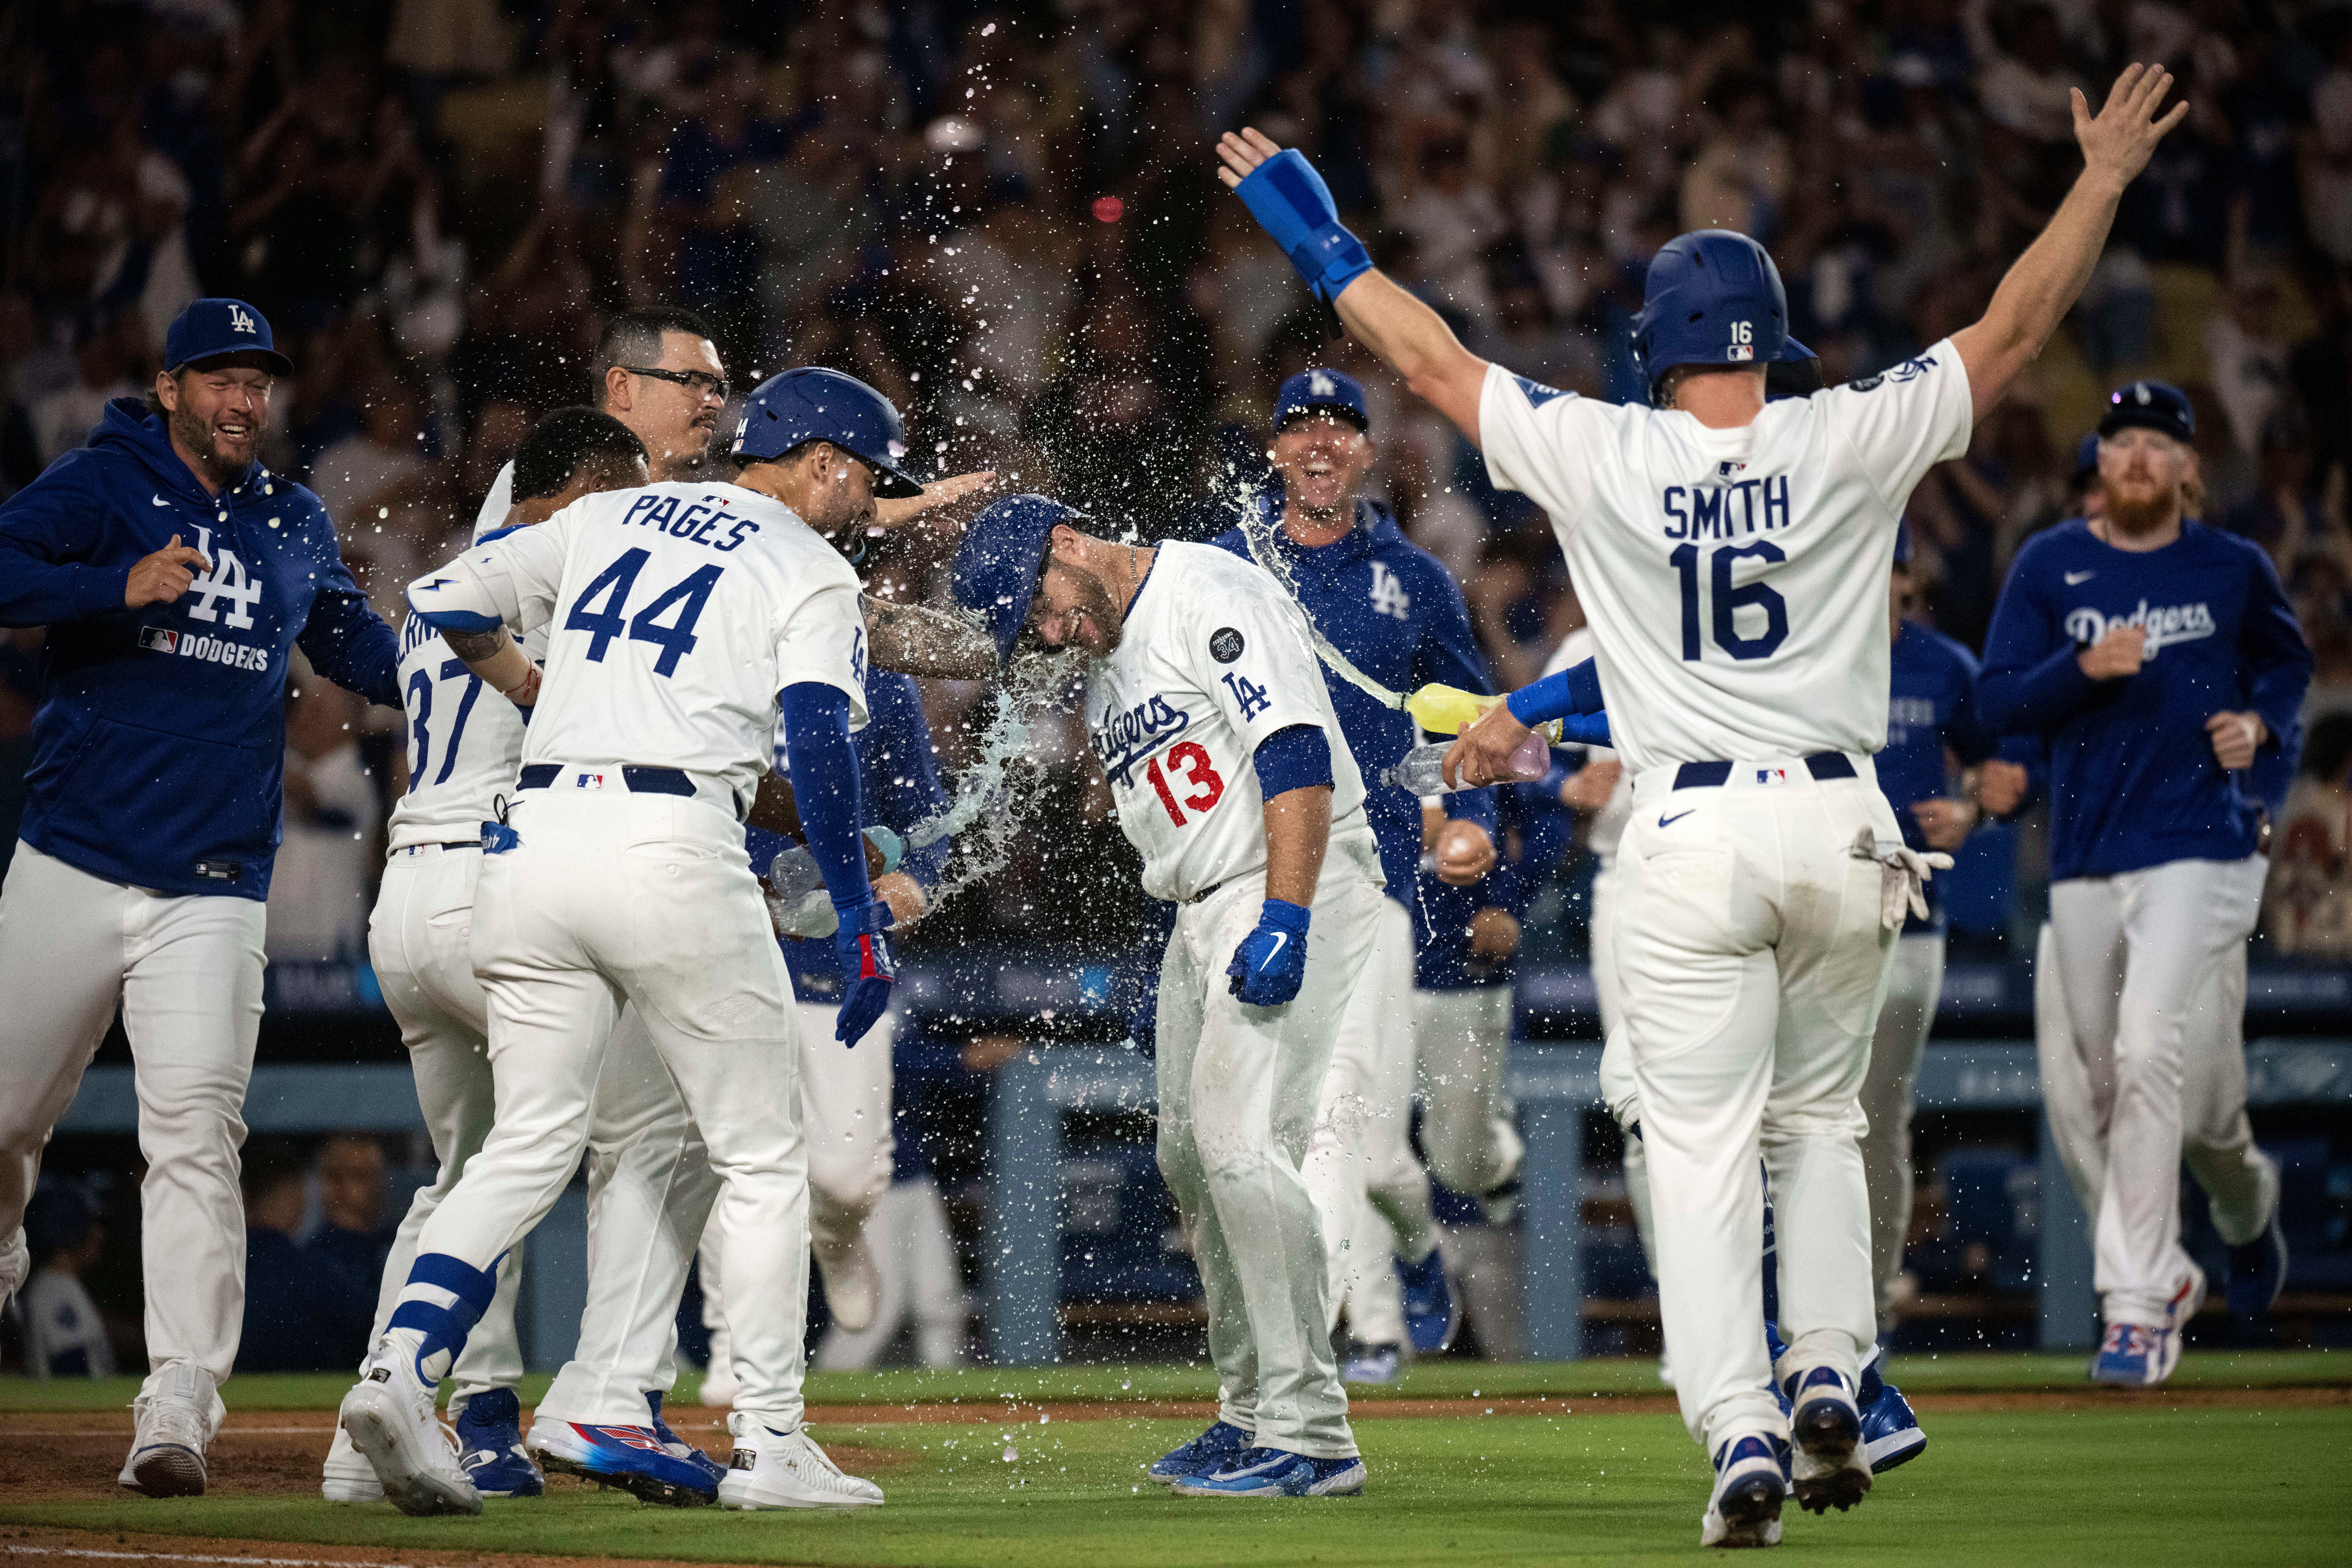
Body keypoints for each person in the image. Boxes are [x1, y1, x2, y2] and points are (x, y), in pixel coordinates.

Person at [1218, 60, 2189, 1545]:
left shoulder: (1606, 450)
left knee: (1699, 1145)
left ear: (1654, 348)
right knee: (1819, 1126)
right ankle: (1833, 1368)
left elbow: (1424, 360)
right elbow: (2019, 325)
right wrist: (2106, 177)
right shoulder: (1845, 431)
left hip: (1684, 831)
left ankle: (1740, 1426)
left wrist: (1327, 248)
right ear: (1770, 345)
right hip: (1842, 822)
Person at [338, 367, 915, 1518]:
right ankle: (770, 1439)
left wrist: (540, 688)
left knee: (525, 1141)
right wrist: (855, 912)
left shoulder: (608, 510)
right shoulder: (812, 564)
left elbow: (446, 600)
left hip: (534, 839)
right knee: (757, 1150)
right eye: (864, 478)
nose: (866, 502)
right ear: (822, 463)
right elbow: (816, 732)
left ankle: (400, 1372)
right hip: (673, 838)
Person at [0, 297, 401, 1497]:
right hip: (73, 855)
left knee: (194, 1137)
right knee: (6, 1117)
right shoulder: (106, 480)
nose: (243, 400)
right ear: (170, 387)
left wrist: (453, 671)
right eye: (219, 379)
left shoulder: (291, 517)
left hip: (215, 882)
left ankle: (178, 1396)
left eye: (258, 382)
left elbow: (352, 645)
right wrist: (112, 583)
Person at [952, 492, 1385, 1499]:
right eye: (1033, 627)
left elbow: (1294, 752)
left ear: (1069, 542)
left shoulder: (1206, 588)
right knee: (1190, 1157)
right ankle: (1252, 1412)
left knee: (1240, 1143)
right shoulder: (1106, 649)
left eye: (1043, 607)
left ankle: (1313, 1433)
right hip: (1202, 906)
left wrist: (1287, 913)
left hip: (1287, 885)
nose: (1049, 632)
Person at [320, 407, 664, 1508]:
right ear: (569, 496)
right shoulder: (554, 578)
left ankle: (411, 1425)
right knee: (596, 1139)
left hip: (409, 893)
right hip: (495, 886)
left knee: (467, 1176)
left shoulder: (460, 571)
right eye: (608, 499)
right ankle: (534, 1395)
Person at [1980, 380, 2310, 1385]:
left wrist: (2262, 739)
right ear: (2101, 464)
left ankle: (2140, 1299)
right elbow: (1998, 702)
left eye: (2156, 444)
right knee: (2111, 1086)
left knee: (2145, 1046)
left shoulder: (2232, 567)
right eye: (2119, 440)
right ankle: (2247, 1210)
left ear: (2186, 471)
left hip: (2203, 844)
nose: (2134, 456)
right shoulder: (2051, 564)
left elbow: (2285, 673)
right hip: (2085, 856)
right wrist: (2082, 669)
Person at [1207, 366, 1500, 1379]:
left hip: (1370, 875)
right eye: (1301, 429)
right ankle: (1310, 1349)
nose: (1321, 444)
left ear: (1369, 451)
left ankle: (1417, 1250)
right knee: (1255, 1127)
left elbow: (1469, 716)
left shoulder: (1413, 578)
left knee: (1372, 1152)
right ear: (1276, 451)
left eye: (1340, 427)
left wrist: (1473, 817)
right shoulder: (1228, 561)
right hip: (1249, 870)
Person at [699, 628, 953, 1404]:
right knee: (727, 1156)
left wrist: (904, 892)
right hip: (717, 937)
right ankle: (731, 1345)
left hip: (829, 952)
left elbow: (926, 826)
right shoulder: (710, 651)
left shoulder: (874, 675)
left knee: (844, 1174)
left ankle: (837, 1238)